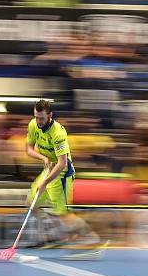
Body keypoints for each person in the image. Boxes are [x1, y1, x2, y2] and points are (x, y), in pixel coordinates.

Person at [25, 99, 101, 252]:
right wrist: (43, 158)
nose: (38, 121)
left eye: (42, 118)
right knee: (31, 203)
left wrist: (45, 182)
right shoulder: (33, 124)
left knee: (62, 214)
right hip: (49, 169)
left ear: (50, 115)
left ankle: (92, 238)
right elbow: (28, 149)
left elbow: (62, 164)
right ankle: (49, 236)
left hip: (62, 173)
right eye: (36, 117)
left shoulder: (59, 132)